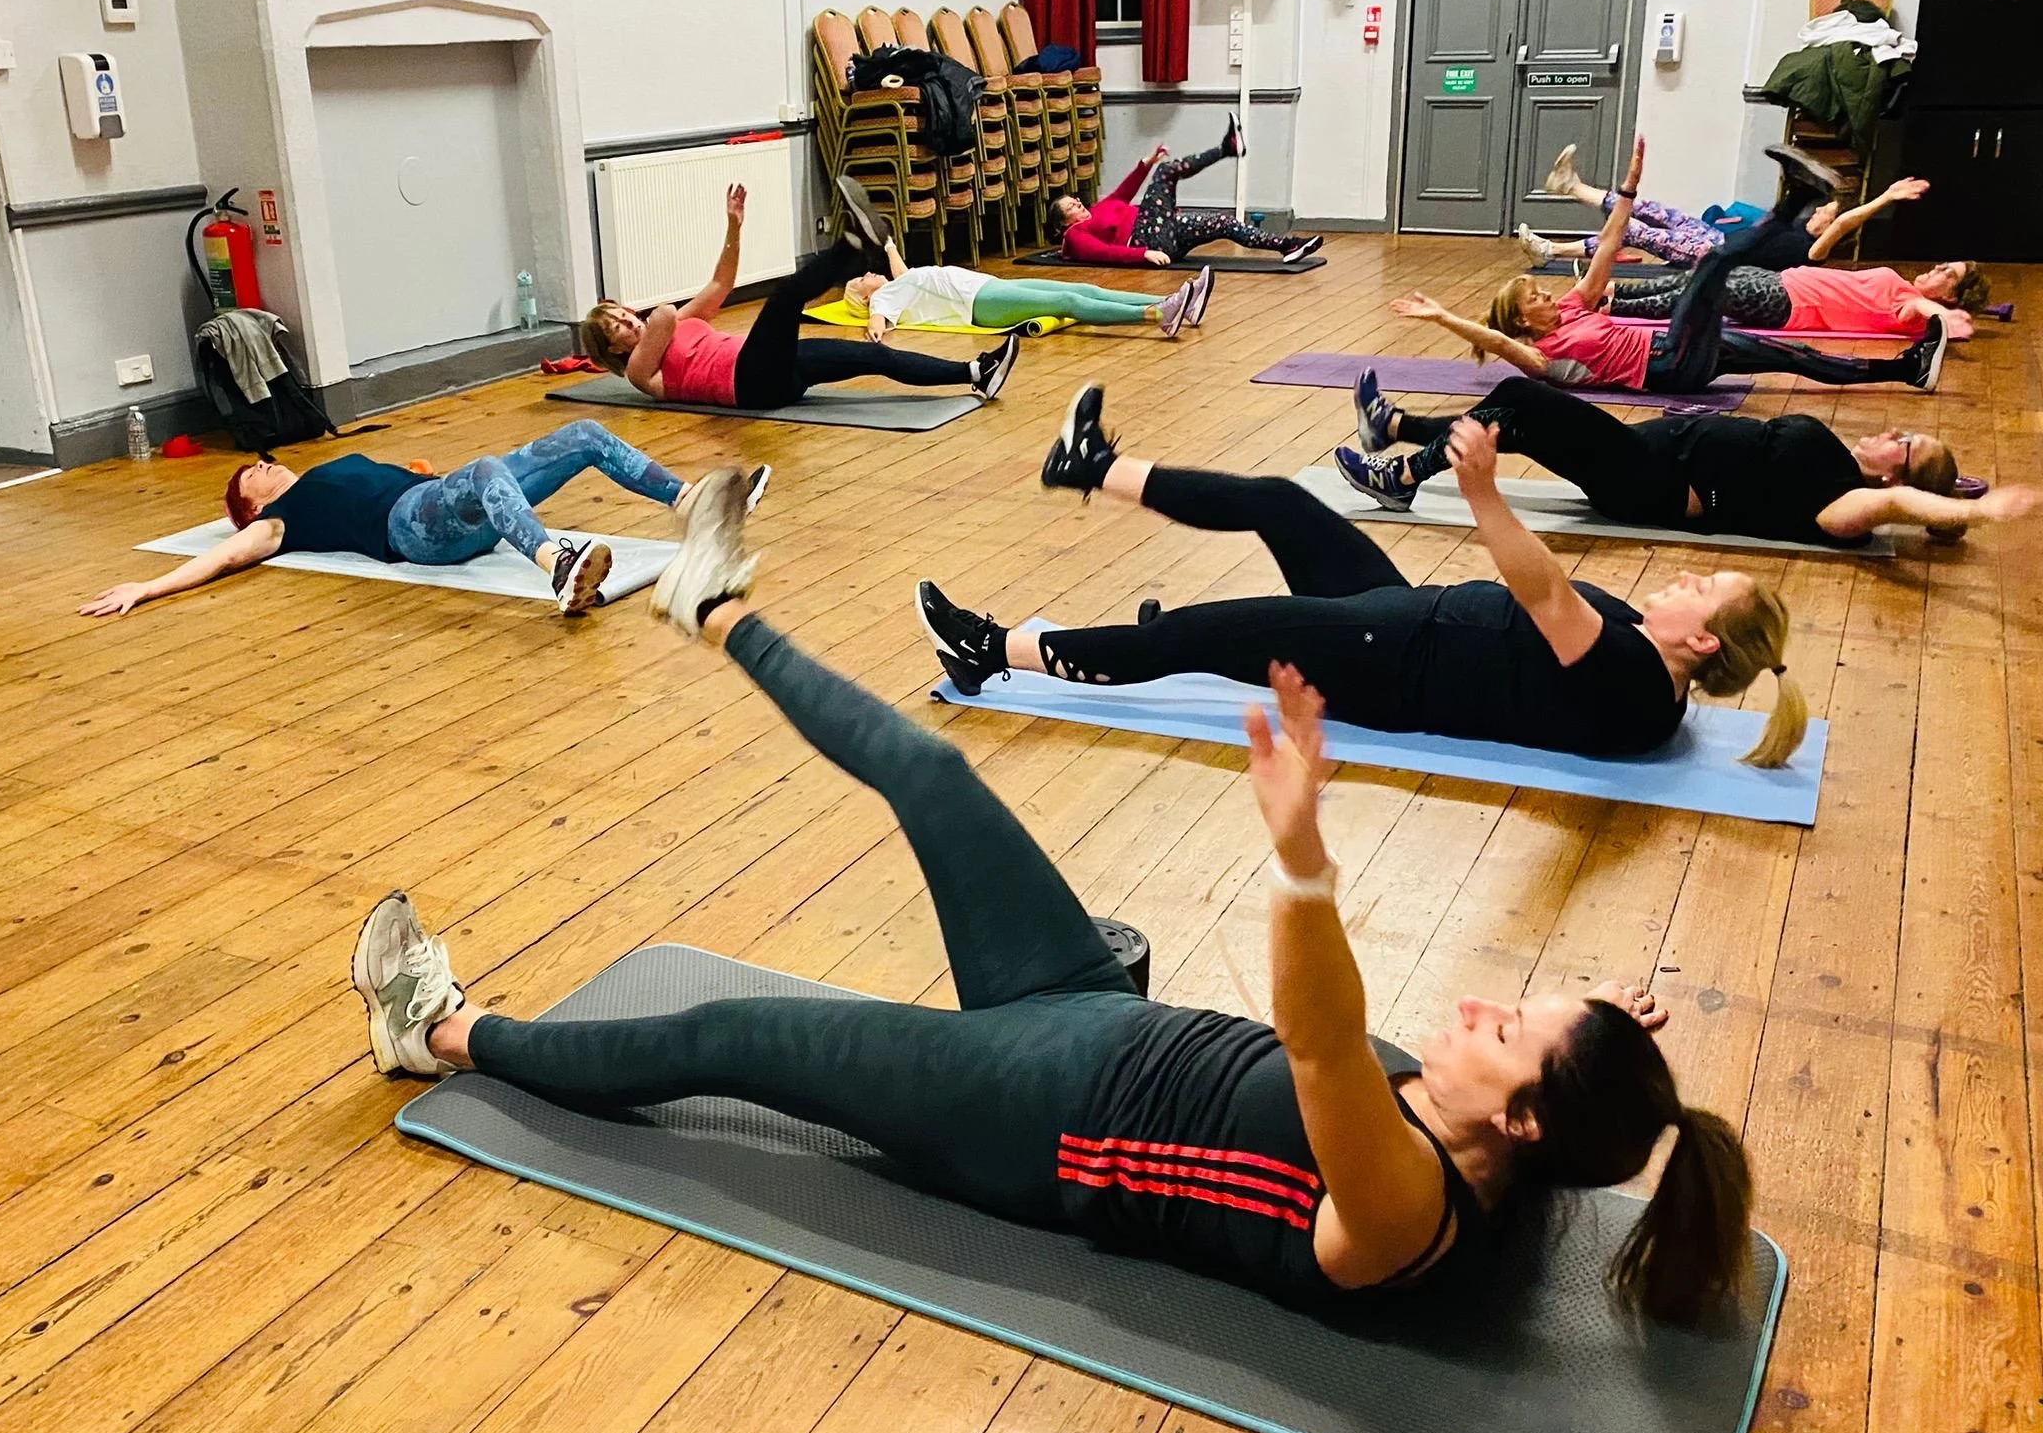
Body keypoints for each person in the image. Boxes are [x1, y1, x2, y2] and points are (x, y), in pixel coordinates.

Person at [353, 463, 1756, 1326]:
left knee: (729, 1037)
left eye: (1506, 1029)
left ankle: (442, 1032)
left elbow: (1324, 1042)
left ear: (1515, 1121)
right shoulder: (1521, 1145)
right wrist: (1616, 1045)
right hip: (1090, 1002)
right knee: (931, 769)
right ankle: (707, 602)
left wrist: (1303, 859)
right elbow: (1573, 1114)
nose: (1474, 1006)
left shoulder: (1408, 1215)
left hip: (1040, 1116)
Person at [919, 384, 1807, 768]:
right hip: (1402, 616)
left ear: (1702, 639)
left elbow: (1543, 593)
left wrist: (1484, 493)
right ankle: (1087, 467)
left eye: (1704, 589)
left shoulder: (1640, 688)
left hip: (1386, 661)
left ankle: (992, 651)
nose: (1688, 578)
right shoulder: (1653, 669)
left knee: (1187, 636)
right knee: (1280, 500)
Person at [1396, 138, 1949, 398]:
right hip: (1667, 364)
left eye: (1540, 292)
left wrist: (1629, 187)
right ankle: (1791, 201)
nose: (1547, 298)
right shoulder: (1540, 357)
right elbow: (1492, 342)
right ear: (1521, 325)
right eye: (1533, 300)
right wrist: (1442, 316)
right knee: (1710, 265)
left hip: (1681, 350)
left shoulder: (1570, 308)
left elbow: (1610, 244)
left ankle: (1905, 371)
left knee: (1796, 358)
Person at [76, 421, 761, 619]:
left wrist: (422, 474)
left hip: (438, 502)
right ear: (250, 502)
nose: (263, 463)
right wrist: (146, 588)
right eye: (250, 471)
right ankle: (556, 566)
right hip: (410, 532)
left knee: (581, 432)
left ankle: (687, 501)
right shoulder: (279, 520)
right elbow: (222, 559)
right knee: (491, 468)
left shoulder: (321, 472)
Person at [1332, 372, 2042, 547]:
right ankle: (1392, 426)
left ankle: (1400, 476)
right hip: (1646, 455)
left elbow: (1899, 507)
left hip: (1655, 486)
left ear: (1893, 470)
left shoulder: (1846, 502)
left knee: (1523, 398)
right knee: (1519, 420)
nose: (1893, 432)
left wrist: (1970, 511)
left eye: (1905, 443)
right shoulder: (1837, 468)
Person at [579, 179, 1021, 410]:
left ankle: (975, 372)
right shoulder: (640, 371)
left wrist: (734, 226)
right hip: (746, 383)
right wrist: (650, 318)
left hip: (774, 372)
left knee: (874, 356)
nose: (627, 322)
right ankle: (852, 246)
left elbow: (721, 286)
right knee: (783, 300)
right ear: (612, 349)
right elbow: (662, 314)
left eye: (620, 314)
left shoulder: (674, 325)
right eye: (616, 327)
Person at [1517, 142, 1938, 274]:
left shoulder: (1813, 254)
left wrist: (1883, 198)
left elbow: (1846, 221)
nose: (1824, 213)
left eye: (1827, 213)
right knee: (1651, 209)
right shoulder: (1789, 226)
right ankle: (1572, 187)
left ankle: (1551, 250)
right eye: (1823, 208)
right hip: (1711, 236)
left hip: (1711, 256)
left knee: (1633, 231)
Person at [1049, 115, 1322, 266]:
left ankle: (1288, 246)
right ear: (1065, 223)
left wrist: (1147, 162)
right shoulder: (1075, 236)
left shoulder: (1098, 209)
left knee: (1223, 223)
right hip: (1147, 239)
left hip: (1165, 231)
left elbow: (1124, 192)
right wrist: (1142, 254)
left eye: (1074, 199)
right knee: (1167, 173)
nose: (1077, 203)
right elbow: (1104, 255)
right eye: (1070, 207)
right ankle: (1226, 148)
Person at [841, 236, 1215, 339]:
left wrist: (888, 244)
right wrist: (874, 330)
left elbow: (900, 270)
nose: (867, 274)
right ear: (865, 295)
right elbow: (878, 319)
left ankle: (1176, 301)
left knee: (1085, 288)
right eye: (860, 280)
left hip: (990, 286)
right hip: (980, 304)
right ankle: (1154, 316)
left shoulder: (900, 282)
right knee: (1068, 300)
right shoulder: (886, 297)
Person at [1598, 259, 1980, 341]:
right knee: (1707, 272)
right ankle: (1615, 292)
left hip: (1788, 306)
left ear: (1950, 296)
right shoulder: (1905, 285)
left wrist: (1948, 319)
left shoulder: (1912, 310)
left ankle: (1614, 308)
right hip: (1783, 281)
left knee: (1709, 293)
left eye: (1949, 274)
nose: (1938, 268)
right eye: (1944, 264)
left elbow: (1922, 311)